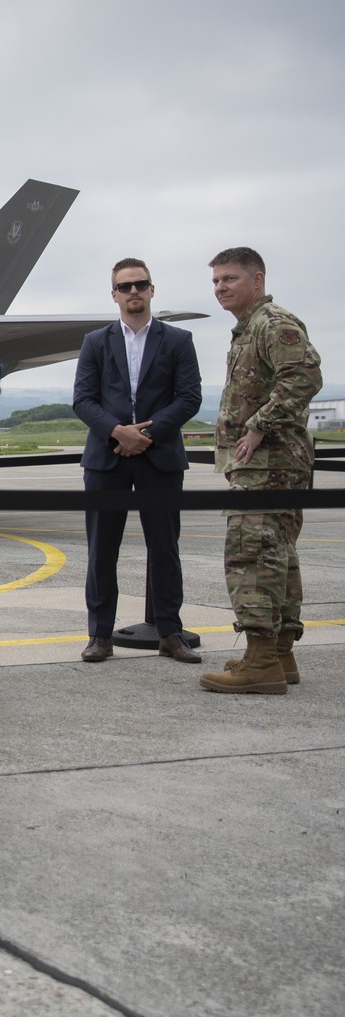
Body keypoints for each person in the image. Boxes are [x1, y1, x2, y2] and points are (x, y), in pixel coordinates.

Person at [198, 247, 321, 695]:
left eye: (229, 279)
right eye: (215, 281)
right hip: (271, 466)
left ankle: (261, 660)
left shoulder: (272, 324)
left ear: (257, 279)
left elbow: (305, 377)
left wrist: (258, 427)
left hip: (268, 465)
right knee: (278, 556)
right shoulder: (250, 329)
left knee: (251, 555)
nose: (220, 288)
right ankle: (277, 654)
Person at [72, 258, 203, 664]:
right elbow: (82, 400)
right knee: (101, 551)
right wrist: (117, 431)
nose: (133, 292)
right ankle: (99, 636)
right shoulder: (95, 342)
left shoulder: (178, 340)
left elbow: (189, 397)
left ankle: (169, 632)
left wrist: (146, 434)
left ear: (151, 290)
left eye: (140, 285)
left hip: (159, 457)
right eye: (125, 286)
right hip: (105, 458)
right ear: (114, 294)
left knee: (165, 548)